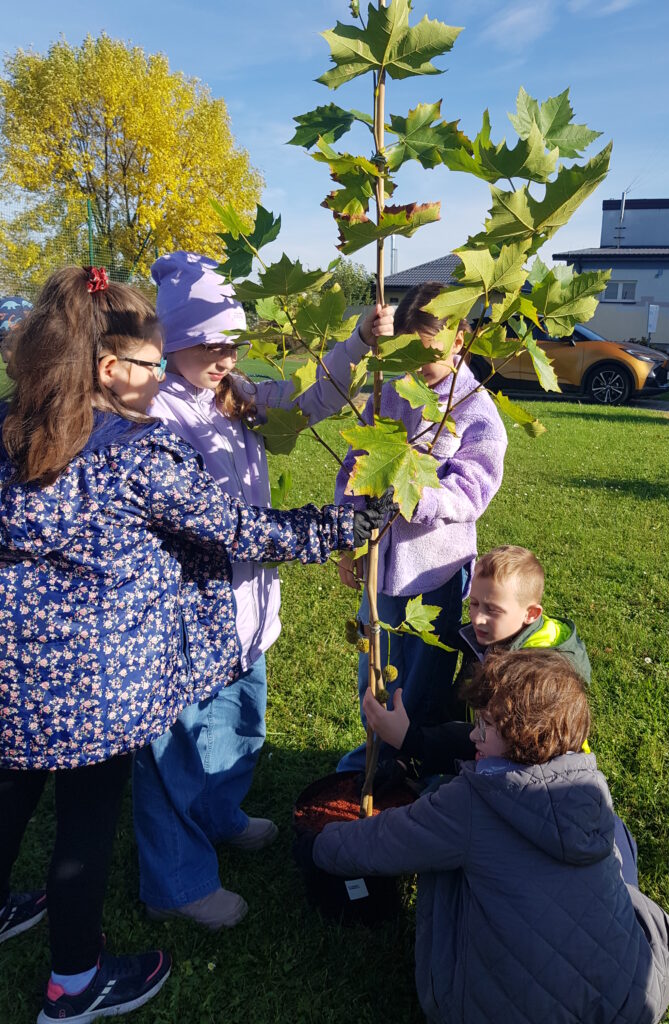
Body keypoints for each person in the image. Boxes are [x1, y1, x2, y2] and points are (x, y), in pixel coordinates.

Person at [0, 266, 388, 1024]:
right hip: (97, 679)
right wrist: (347, 525)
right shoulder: (138, 447)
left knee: (12, 794)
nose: (221, 357)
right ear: (111, 367)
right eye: (151, 360)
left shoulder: (16, 423)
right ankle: (74, 985)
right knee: (83, 830)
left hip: (17, 670)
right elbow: (242, 529)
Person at [132, 251, 394, 929]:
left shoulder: (236, 393)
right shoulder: (154, 416)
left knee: (239, 719)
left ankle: (220, 814)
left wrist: (359, 342)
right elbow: (220, 528)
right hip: (187, 615)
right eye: (205, 344)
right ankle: (177, 880)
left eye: (230, 343)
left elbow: (309, 404)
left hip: (246, 610)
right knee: (176, 749)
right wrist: (323, 530)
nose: (222, 356)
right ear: (171, 341)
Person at [309, 649, 669, 1024]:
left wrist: (318, 842)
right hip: (632, 1000)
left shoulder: (471, 802)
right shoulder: (591, 788)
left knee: (442, 854)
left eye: (484, 726)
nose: (473, 733)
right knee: (616, 834)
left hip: (502, 1012)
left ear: (524, 738)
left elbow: (385, 841)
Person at [335, 280, 508, 772]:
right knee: (377, 671)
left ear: (459, 341)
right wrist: (353, 541)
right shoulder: (388, 393)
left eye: (427, 353)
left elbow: (471, 493)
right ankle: (375, 755)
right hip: (380, 569)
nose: (415, 365)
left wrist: (414, 494)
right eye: (406, 352)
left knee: (423, 685)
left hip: (434, 574)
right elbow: (355, 468)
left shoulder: (476, 413)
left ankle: (415, 766)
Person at [364, 545, 591, 775]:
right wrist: (409, 759)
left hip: (530, 782)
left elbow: (491, 739)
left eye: (492, 609)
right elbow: (458, 709)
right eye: (473, 604)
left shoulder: (535, 679)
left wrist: (409, 740)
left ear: (531, 614)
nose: (478, 618)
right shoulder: (492, 639)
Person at [0, 294, 33, 364]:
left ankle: (12, 365)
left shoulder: (1, 301)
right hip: (24, 335)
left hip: (6, 335)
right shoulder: (25, 302)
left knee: (11, 361)